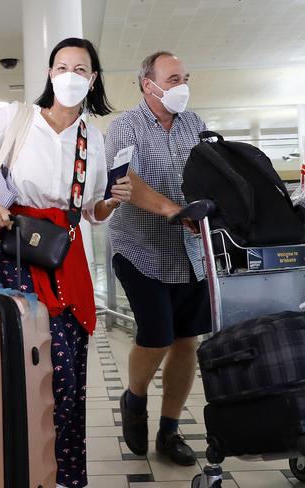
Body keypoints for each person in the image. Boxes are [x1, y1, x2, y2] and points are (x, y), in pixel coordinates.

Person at [0, 38, 132, 488]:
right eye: (61, 66)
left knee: (67, 380)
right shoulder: (15, 119)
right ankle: (17, 471)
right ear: (50, 74)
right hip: (15, 261)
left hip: (67, 264)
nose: (69, 75)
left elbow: (90, 209)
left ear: (92, 80)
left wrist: (110, 204)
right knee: (19, 373)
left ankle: (67, 477)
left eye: (80, 69)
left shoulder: (94, 138)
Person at [104, 51, 212, 467]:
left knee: (187, 340)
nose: (180, 86)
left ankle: (169, 430)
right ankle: (134, 397)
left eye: (184, 77)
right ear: (147, 84)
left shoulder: (195, 125)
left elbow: (210, 173)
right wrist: (172, 210)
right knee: (157, 335)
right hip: (139, 249)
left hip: (190, 252)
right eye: (172, 78)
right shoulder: (124, 128)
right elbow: (123, 181)